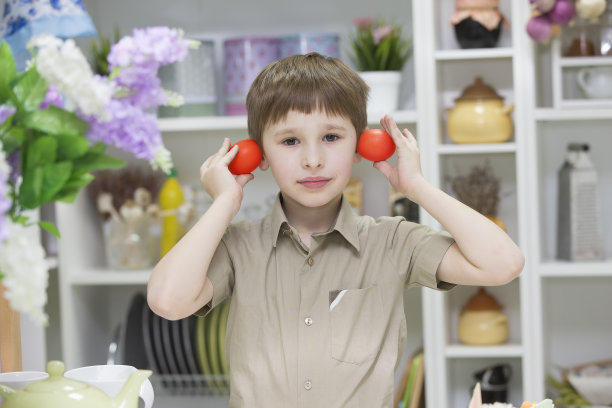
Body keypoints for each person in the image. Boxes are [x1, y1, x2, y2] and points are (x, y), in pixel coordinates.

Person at [147, 52, 524, 407]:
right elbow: (167, 301)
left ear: (362, 146)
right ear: (259, 153)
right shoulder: (238, 247)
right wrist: (223, 203)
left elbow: (503, 263)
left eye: (331, 137)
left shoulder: (392, 241)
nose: (313, 160)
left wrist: (417, 187)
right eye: (290, 141)